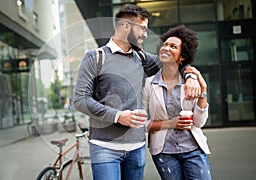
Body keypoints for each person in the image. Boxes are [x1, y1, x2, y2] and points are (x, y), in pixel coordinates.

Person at [73, 4, 201, 180]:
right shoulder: (95, 57)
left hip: (136, 148)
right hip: (104, 148)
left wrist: (191, 77)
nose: (145, 34)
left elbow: (175, 63)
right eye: (142, 28)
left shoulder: (141, 58)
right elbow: (80, 99)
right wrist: (118, 116)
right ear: (126, 26)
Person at [142, 25, 212, 180]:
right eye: (165, 45)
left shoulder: (191, 82)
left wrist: (203, 91)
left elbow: (199, 123)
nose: (166, 48)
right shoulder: (149, 84)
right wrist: (170, 123)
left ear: (182, 56)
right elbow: (140, 123)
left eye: (173, 46)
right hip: (164, 152)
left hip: (193, 149)